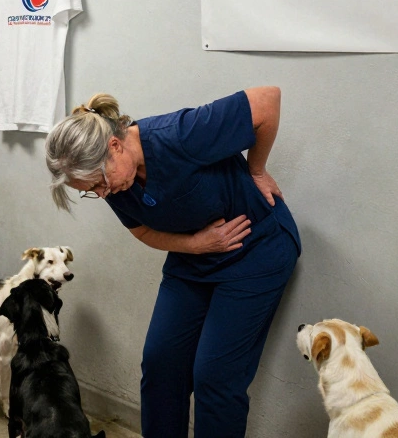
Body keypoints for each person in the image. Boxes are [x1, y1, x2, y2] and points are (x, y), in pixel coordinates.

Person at [45, 87, 300, 438]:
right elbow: (143, 230)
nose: (102, 193)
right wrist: (195, 244)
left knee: (214, 376)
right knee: (161, 365)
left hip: (256, 252)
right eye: (91, 190)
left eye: (99, 183)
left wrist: (257, 170)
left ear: (114, 147)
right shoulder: (113, 182)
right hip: (195, 258)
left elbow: (266, 101)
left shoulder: (179, 136)